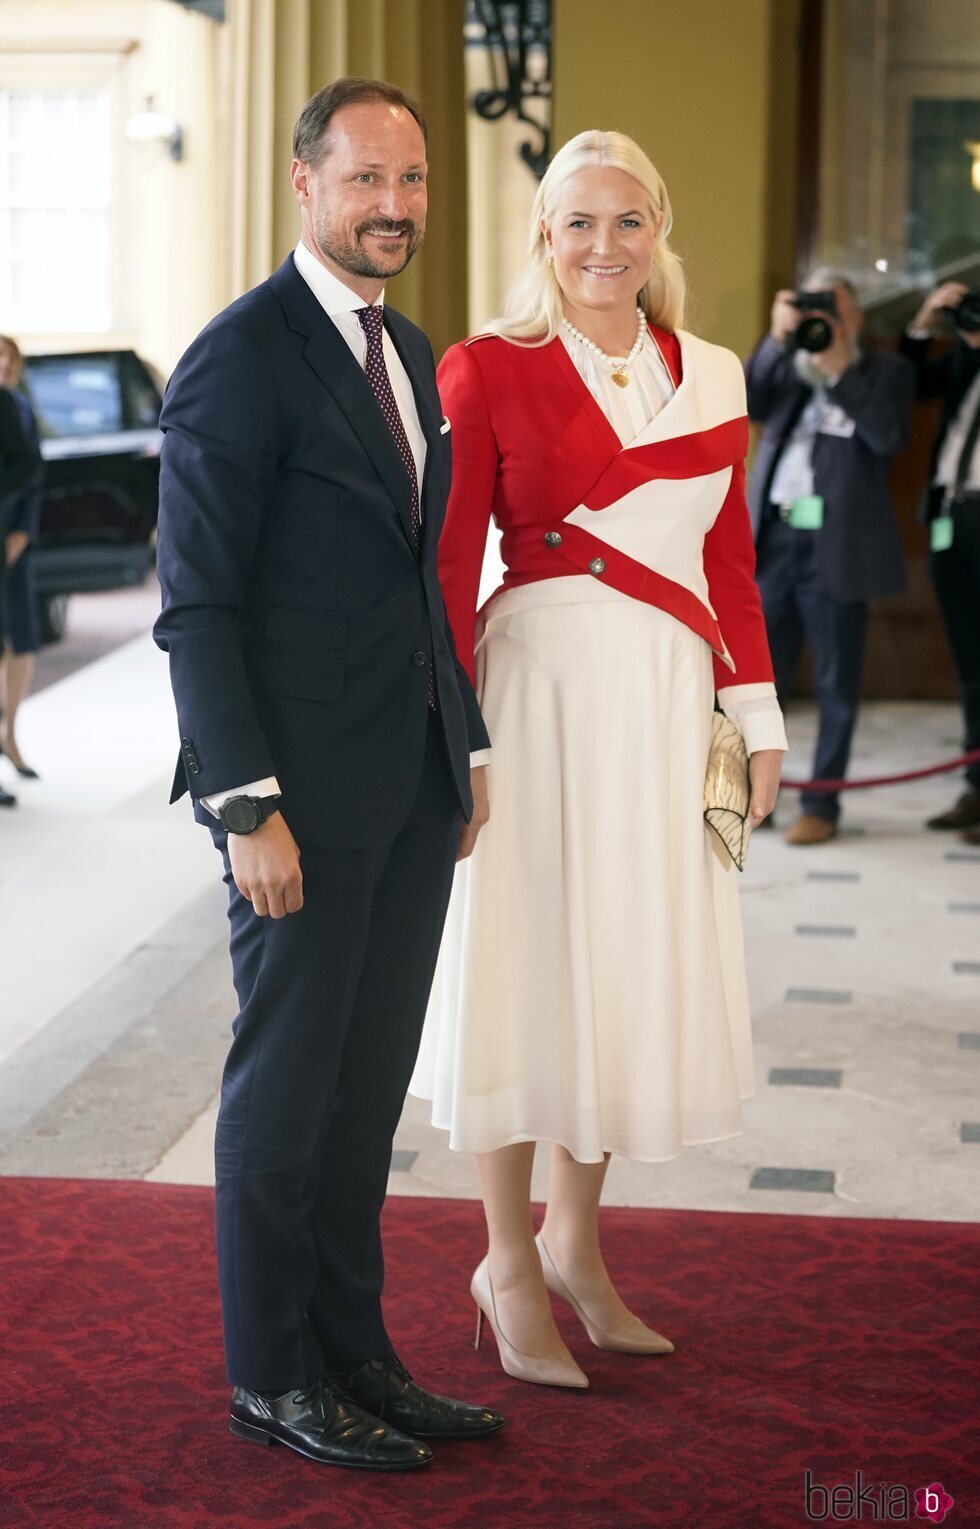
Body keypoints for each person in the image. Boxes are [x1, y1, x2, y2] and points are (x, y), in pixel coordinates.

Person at [153, 78, 503, 1471]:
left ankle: (357, 1352)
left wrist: (459, 743)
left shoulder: (405, 349)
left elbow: (420, 579)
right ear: (305, 183)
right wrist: (245, 805)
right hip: (294, 798)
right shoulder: (241, 357)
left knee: (364, 1098)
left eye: (411, 182)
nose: (395, 207)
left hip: (407, 784)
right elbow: (196, 604)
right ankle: (273, 1373)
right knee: (285, 1093)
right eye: (367, 181)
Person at [410, 130, 785, 1389]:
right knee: (531, 957)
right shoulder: (486, 368)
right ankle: (502, 1260)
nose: (601, 247)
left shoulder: (716, 372)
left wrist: (761, 721)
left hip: (668, 700)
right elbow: (450, 572)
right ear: (543, 236)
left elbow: (727, 565)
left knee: (619, 959)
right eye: (576, 222)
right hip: (536, 696)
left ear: (657, 229)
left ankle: (575, 1244)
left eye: (626, 221)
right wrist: (452, 737)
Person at [744, 274, 914, 844]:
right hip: (774, 541)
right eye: (810, 305)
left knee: (836, 680)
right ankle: (751, 796)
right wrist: (775, 337)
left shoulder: (886, 372)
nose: (821, 318)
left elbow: (886, 436)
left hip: (838, 549)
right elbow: (747, 400)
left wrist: (839, 367)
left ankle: (824, 805)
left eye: (831, 308)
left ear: (857, 317)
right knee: (759, 680)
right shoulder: (787, 371)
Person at [900, 282, 980, 842]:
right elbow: (911, 382)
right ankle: (976, 786)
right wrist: (927, 320)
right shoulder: (963, 364)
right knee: (970, 662)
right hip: (953, 515)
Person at [0, 336, 44, 783]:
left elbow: (33, 473)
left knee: (23, 639)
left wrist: (21, 534)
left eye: (9, 357)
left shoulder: (20, 407)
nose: (4, 364)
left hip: (15, 536)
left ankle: (10, 734)